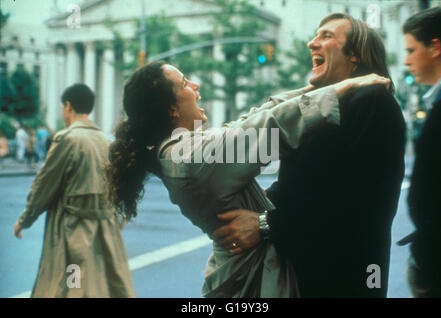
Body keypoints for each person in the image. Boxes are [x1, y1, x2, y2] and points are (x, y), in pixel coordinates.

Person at [107, 60, 391, 297]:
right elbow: (267, 127)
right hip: (251, 284)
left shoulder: (181, 151)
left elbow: (249, 121)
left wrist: (316, 88)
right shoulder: (189, 157)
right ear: (171, 108)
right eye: (184, 83)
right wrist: (347, 86)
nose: (195, 87)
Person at [213, 13, 406, 297]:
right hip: (311, 272)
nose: (311, 43)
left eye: (326, 36)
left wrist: (266, 225)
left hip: (349, 278)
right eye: (315, 35)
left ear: (354, 55)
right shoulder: (328, 104)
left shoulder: (373, 102)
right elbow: (304, 181)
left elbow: (357, 200)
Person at [14, 83, 135, 298]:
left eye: (63, 107)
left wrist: (25, 220)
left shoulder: (68, 139)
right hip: (106, 233)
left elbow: (44, 186)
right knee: (104, 287)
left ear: (68, 106)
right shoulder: (106, 141)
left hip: (73, 233)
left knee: (70, 286)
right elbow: (120, 191)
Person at [399, 6, 441, 298]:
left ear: (435, 47)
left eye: (411, 50)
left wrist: (425, 261)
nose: (406, 61)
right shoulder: (439, 103)